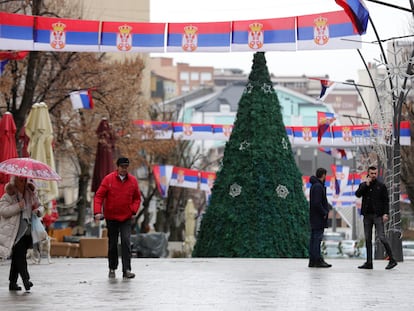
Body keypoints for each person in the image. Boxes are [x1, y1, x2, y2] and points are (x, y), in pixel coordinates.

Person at [94, 157, 141, 279]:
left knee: (126, 241)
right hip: (111, 217)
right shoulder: (108, 179)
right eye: (122, 167)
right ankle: (112, 268)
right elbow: (98, 196)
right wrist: (97, 212)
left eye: (126, 167)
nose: (124, 169)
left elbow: (137, 198)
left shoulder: (133, 181)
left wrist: (133, 210)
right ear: (118, 167)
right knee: (113, 244)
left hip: (126, 217)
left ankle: (127, 270)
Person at [0, 176, 42, 291]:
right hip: (14, 231)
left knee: (17, 257)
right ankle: (26, 280)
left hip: (28, 230)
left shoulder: (30, 193)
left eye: (25, 180)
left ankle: (12, 283)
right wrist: (18, 206)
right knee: (20, 256)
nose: (23, 182)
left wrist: (38, 211)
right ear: (15, 181)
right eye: (20, 180)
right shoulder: (9, 195)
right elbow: (3, 211)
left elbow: (40, 206)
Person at [355, 166, 397, 270]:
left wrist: (385, 213)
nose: (374, 175)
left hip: (378, 215)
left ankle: (392, 259)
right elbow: (358, 194)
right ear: (368, 173)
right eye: (372, 173)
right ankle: (369, 262)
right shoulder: (364, 185)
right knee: (368, 239)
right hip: (367, 215)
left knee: (382, 237)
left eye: (375, 173)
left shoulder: (381, 186)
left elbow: (386, 201)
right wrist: (366, 185)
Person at [308, 167, 331, 268]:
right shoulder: (318, 187)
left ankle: (313, 260)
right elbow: (317, 203)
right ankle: (317, 259)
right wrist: (324, 212)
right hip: (318, 217)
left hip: (315, 216)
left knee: (314, 238)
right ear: (323, 175)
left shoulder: (315, 186)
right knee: (317, 239)